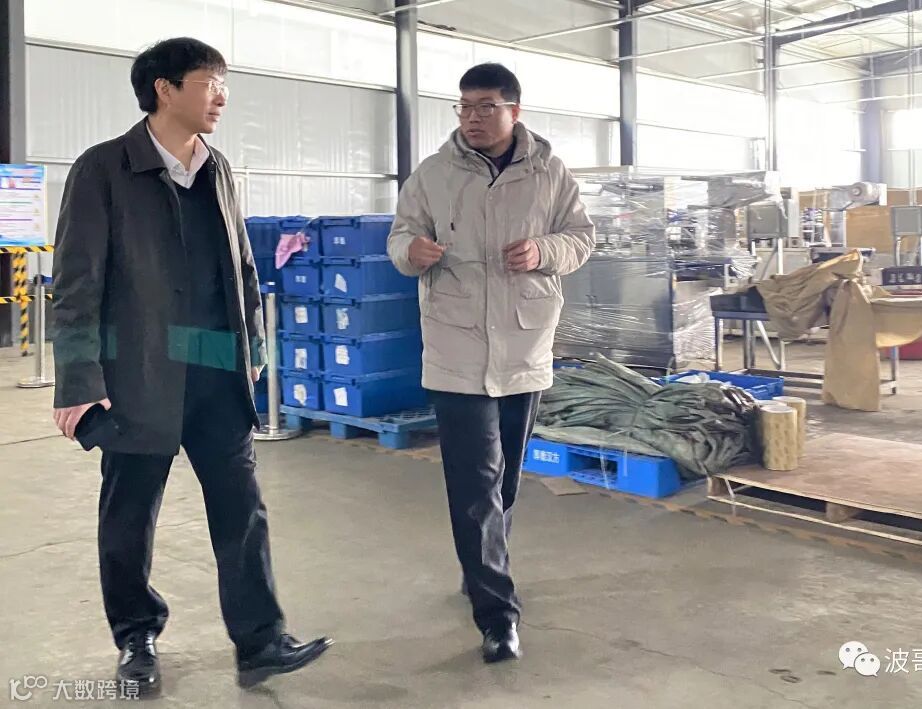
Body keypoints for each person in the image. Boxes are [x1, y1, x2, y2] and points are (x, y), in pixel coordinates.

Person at [50, 37, 331, 695]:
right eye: (210, 83)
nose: (221, 97)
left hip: (214, 372)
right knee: (129, 517)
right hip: (138, 375)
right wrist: (79, 380)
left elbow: (243, 267)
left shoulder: (217, 167)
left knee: (242, 508)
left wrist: (253, 350)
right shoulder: (103, 168)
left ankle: (260, 641)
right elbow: (76, 282)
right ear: (165, 89)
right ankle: (136, 637)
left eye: (223, 84)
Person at [387, 63, 595, 663]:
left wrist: (544, 250)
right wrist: (412, 251)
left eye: (485, 107)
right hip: (455, 348)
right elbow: (399, 238)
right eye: (464, 107)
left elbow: (581, 238)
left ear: (514, 111)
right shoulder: (433, 175)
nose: (472, 118)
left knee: (505, 477)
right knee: (474, 481)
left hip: (523, 346)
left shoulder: (550, 173)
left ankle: (480, 563)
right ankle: (497, 614)